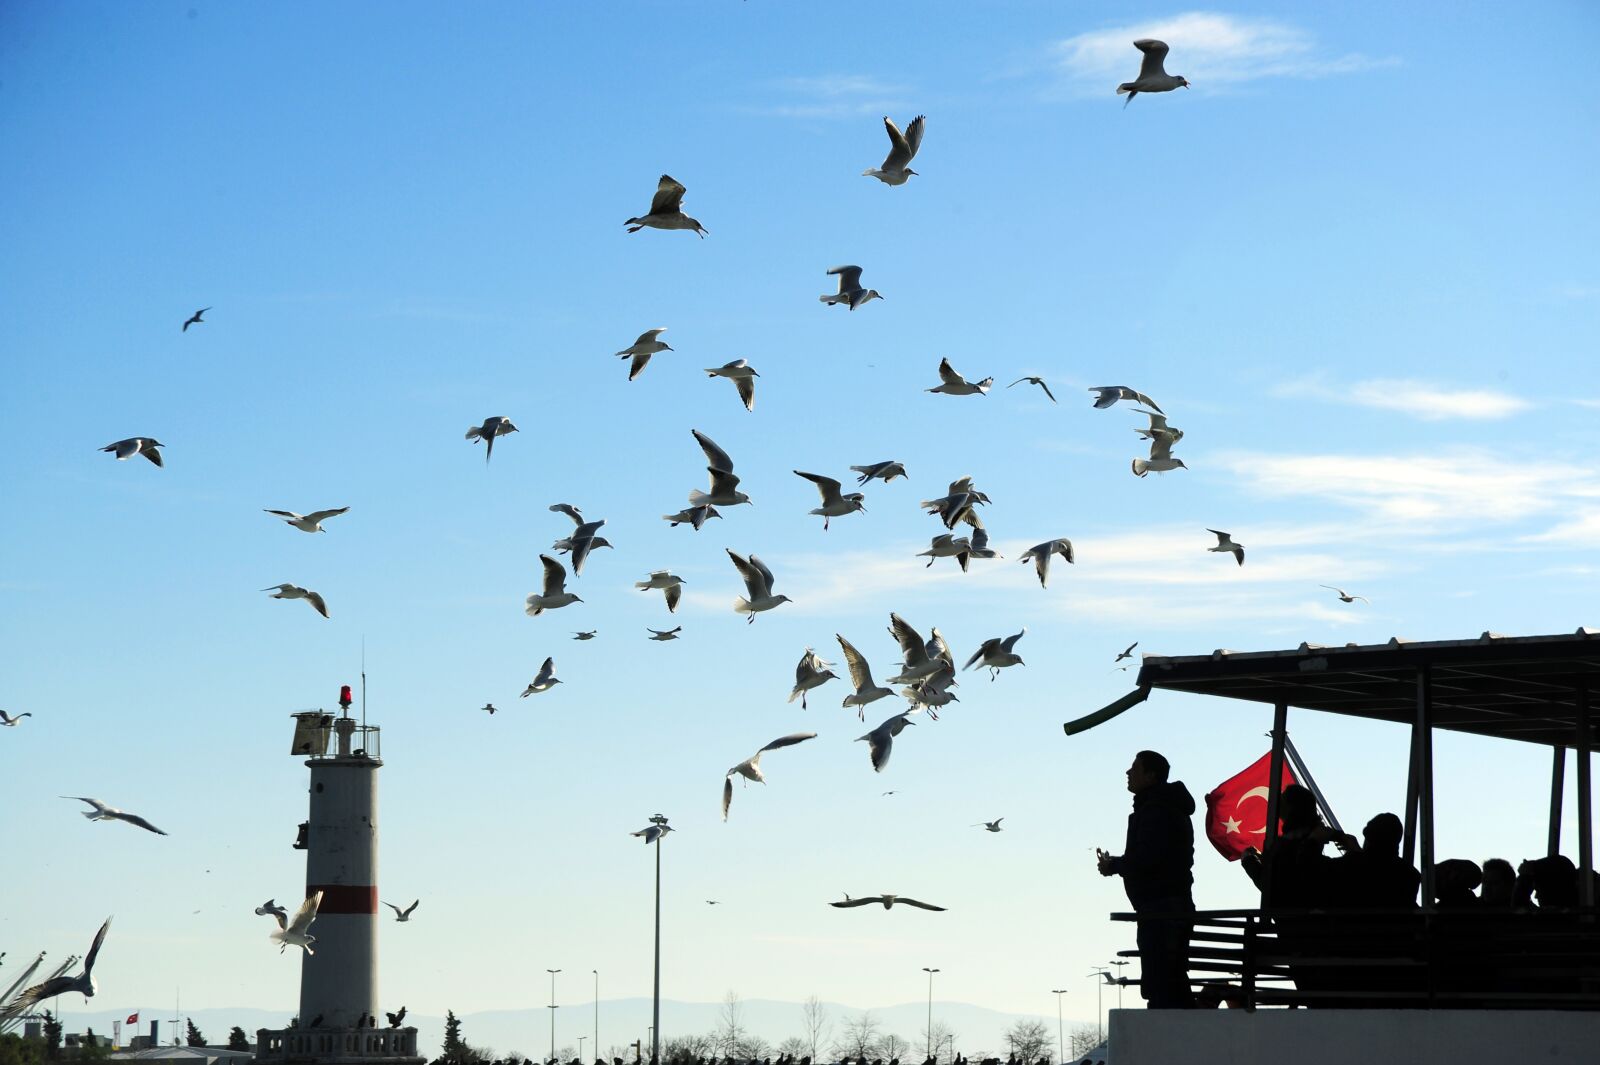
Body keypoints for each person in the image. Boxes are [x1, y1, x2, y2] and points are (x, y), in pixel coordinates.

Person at [1096, 749, 1196, 1008]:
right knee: (1170, 979)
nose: (1128, 773)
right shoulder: (1166, 808)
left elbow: (1148, 858)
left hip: (1161, 909)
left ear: (1151, 776)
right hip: (1168, 906)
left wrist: (1114, 865)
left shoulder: (1156, 811)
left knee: (1163, 982)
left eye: (1134, 768)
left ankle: (1171, 1040)